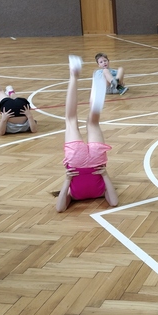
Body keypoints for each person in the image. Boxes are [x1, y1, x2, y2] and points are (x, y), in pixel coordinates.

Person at [55, 56, 119, 212]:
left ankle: (96, 98)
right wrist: (104, 174)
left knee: (92, 122)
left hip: (92, 162)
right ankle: (74, 74)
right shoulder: (73, 195)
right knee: (71, 120)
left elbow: (114, 202)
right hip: (81, 162)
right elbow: (114, 202)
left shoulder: (76, 195)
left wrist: (68, 179)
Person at [0, 58, 38, 135]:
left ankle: (11, 92)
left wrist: (29, 115)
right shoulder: (8, 129)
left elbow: (34, 130)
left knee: (14, 98)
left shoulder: (26, 126)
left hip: (21, 109)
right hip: (10, 111)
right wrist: (4, 119)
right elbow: (1, 133)